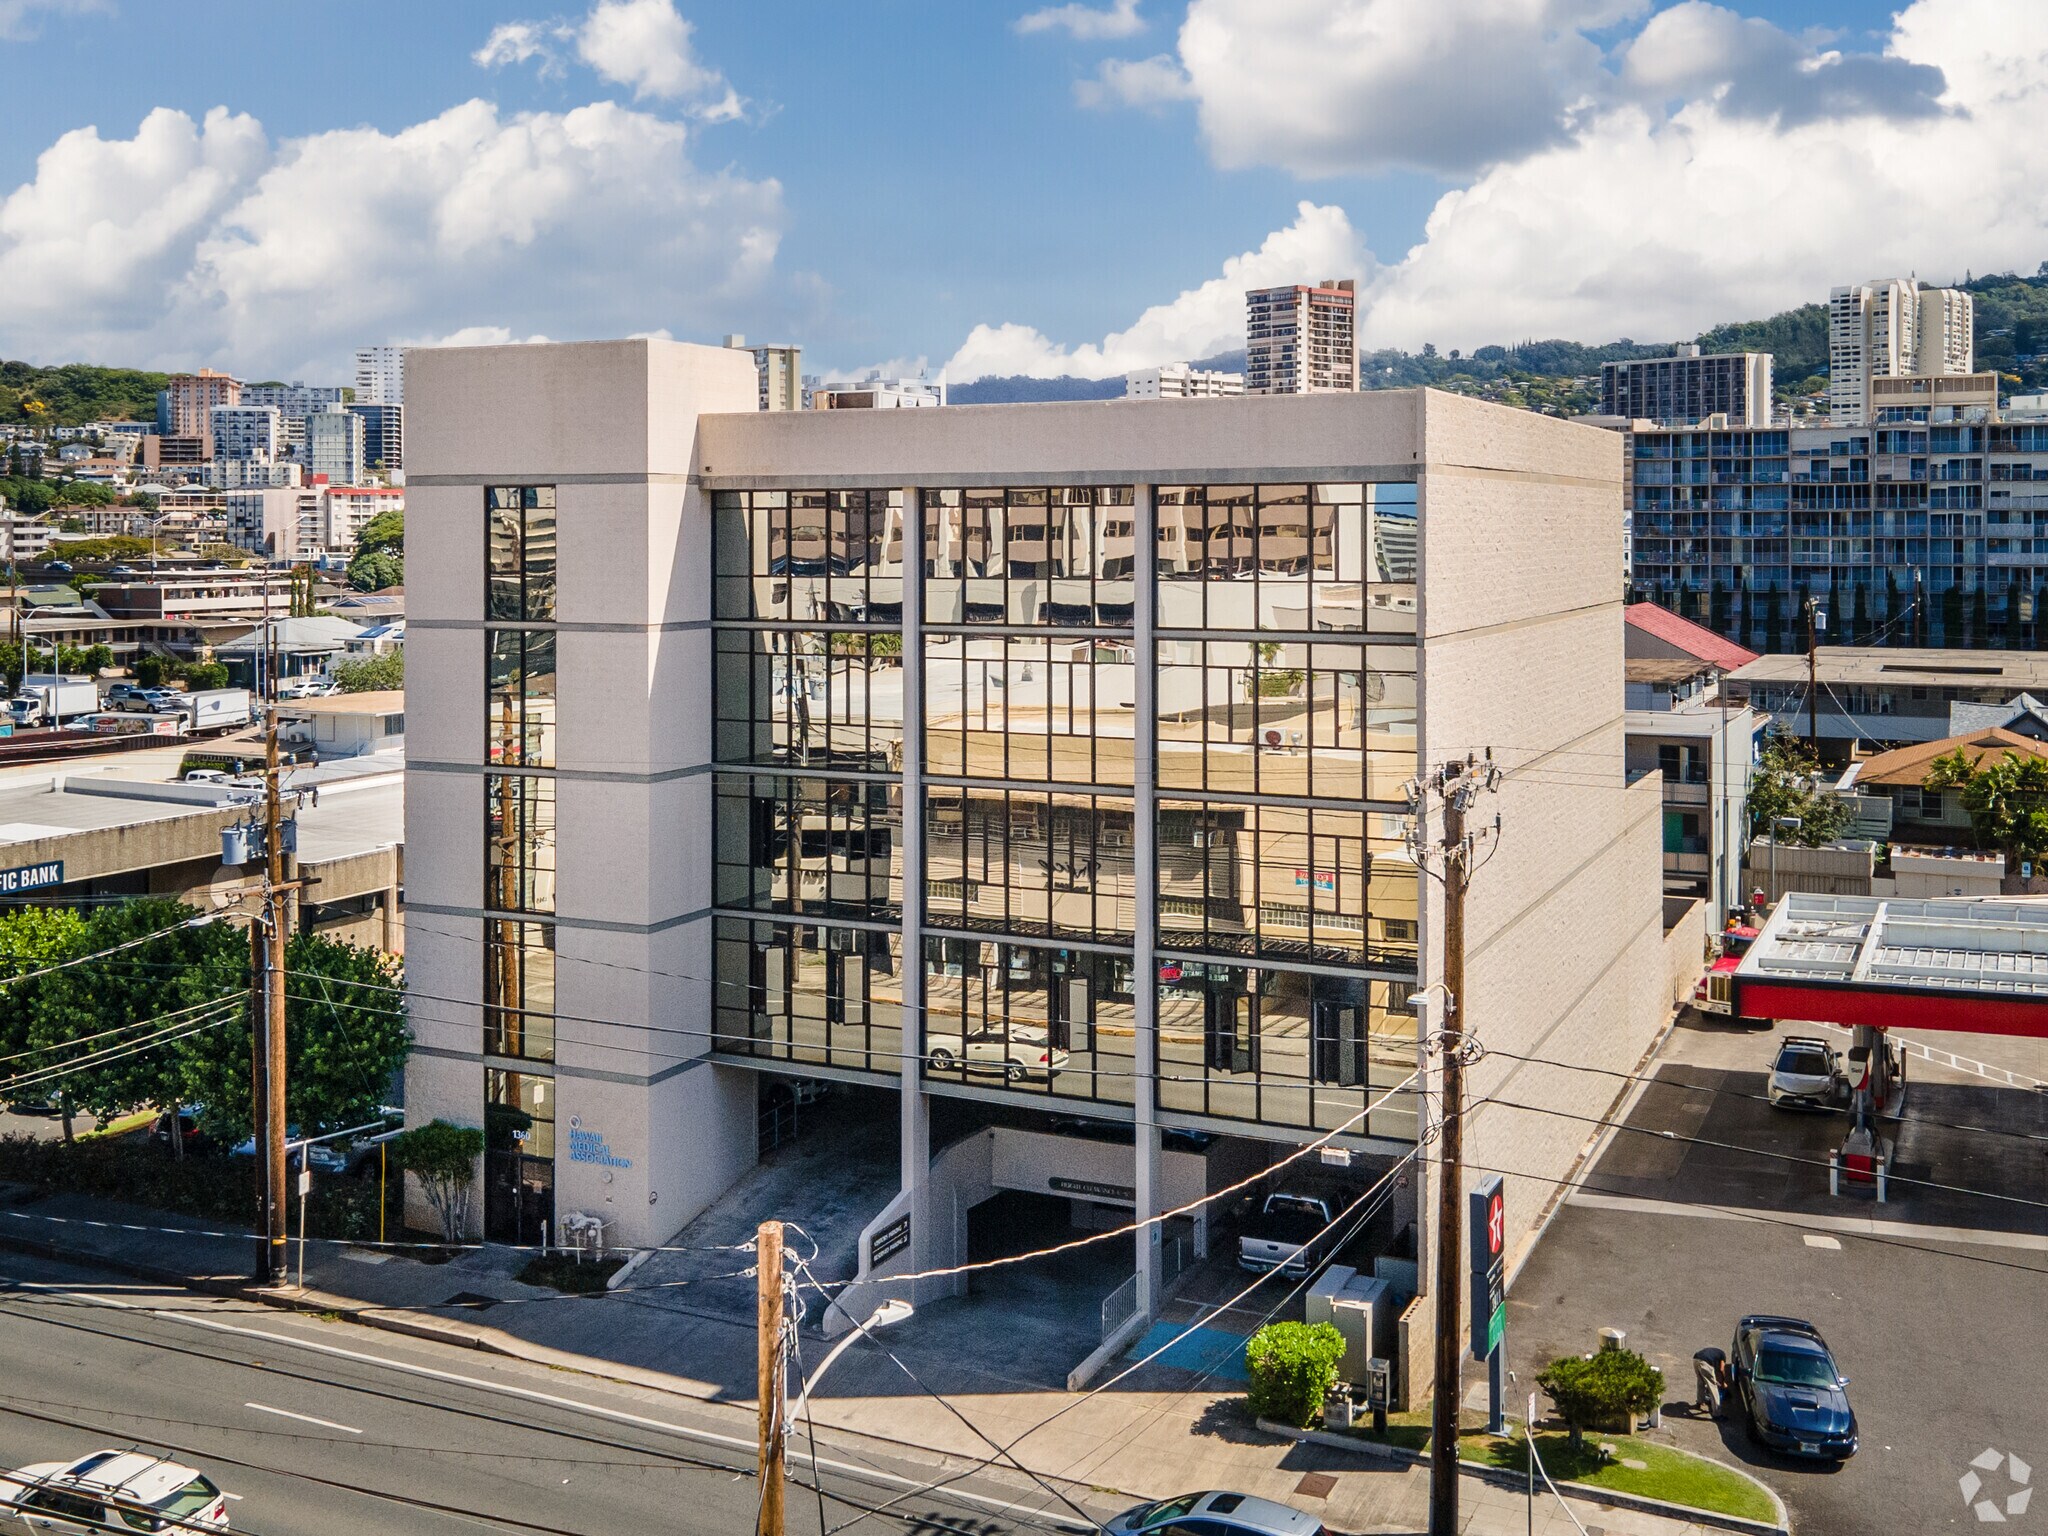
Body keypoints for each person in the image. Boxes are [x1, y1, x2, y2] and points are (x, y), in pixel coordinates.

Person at [1693, 1346, 1728, 1418]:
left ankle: (1700, 1402)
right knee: (1713, 1387)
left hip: (1696, 1359)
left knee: (1701, 1382)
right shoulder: (1722, 1355)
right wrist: (1723, 1382)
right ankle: (1717, 1413)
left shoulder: (1715, 1353)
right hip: (1705, 1362)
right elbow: (1721, 1369)